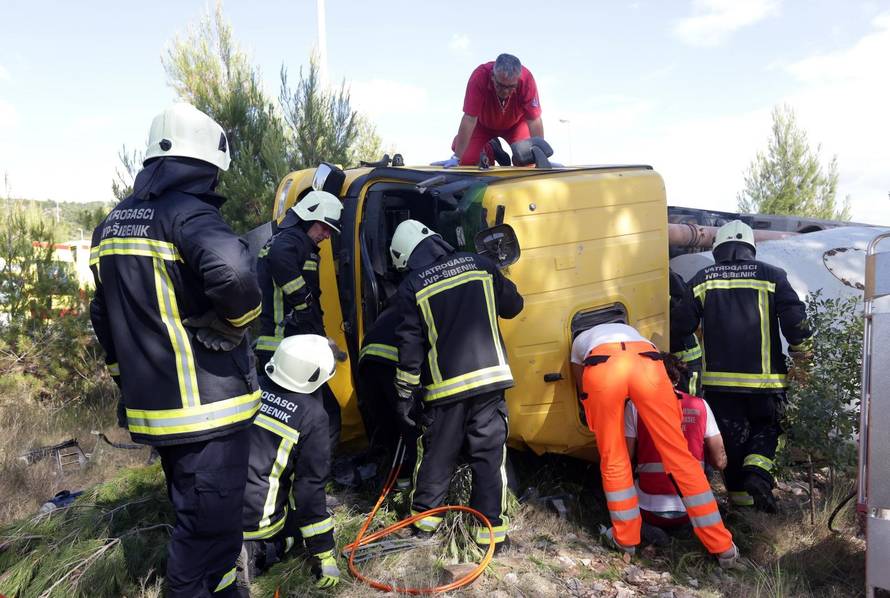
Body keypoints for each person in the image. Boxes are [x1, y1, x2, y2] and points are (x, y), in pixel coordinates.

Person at [89, 103, 262, 597]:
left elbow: (103, 317)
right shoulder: (186, 213)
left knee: (209, 519)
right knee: (202, 533)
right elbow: (235, 274)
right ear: (204, 165)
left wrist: (127, 378)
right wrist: (235, 323)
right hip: (209, 411)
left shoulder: (113, 224)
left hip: (161, 412)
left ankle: (229, 590)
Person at [389, 220, 523, 551]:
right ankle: (491, 533)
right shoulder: (481, 265)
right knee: (489, 457)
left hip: (445, 388)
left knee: (438, 454)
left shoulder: (412, 286)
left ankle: (424, 525)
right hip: (491, 381)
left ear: (407, 256)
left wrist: (405, 394)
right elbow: (513, 306)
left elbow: (411, 346)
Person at [570, 323, 738, 567]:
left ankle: (625, 539)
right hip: (646, 361)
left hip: (602, 366)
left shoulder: (579, 343)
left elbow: (581, 388)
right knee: (680, 457)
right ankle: (724, 548)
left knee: (615, 458)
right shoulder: (633, 332)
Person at [689, 220, 812, 513]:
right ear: (751, 248)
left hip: (719, 386)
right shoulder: (772, 276)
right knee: (768, 430)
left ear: (718, 249)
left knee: (731, 443)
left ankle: (742, 507)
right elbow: (795, 319)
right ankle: (758, 475)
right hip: (765, 384)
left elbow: (682, 324)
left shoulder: (702, 278)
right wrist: (802, 354)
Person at [240, 335, 340, 590]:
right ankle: (257, 554)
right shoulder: (313, 417)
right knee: (294, 528)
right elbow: (309, 490)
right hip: (256, 525)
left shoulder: (250, 387)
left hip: (214, 507)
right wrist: (324, 552)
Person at [254, 191, 343, 450]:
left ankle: (291, 470)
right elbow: (280, 259)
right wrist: (303, 300)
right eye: (325, 228)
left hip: (283, 347)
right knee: (325, 415)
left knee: (291, 417)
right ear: (308, 217)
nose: (327, 236)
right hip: (289, 350)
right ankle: (313, 473)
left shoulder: (287, 241)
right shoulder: (290, 241)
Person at [623, 354, 727, 544]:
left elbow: (626, 457)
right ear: (677, 379)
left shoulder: (634, 406)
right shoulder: (700, 405)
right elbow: (720, 461)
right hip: (692, 510)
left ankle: (646, 530)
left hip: (648, 509)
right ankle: (686, 530)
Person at [357, 304, 417, 489]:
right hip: (392, 362)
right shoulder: (425, 301)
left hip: (367, 361)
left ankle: (400, 483)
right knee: (409, 427)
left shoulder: (399, 299)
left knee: (389, 426)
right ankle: (411, 484)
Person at [449, 53, 543, 166]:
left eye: (511, 87)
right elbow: (469, 118)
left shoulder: (527, 80)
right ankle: (490, 149)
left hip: (516, 125)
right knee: (466, 160)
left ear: (518, 80)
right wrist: (457, 157)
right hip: (482, 125)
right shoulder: (479, 76)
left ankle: (518, 158)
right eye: (500, 85)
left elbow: (534, 120)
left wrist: (540, 156)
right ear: (493, 75)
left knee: (527, 162)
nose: (505, 91)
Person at [669, 269, 703, 396]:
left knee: (690, 406)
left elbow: (686, 312)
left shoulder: (668, 277)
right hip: (672, 356)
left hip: (686, 357)